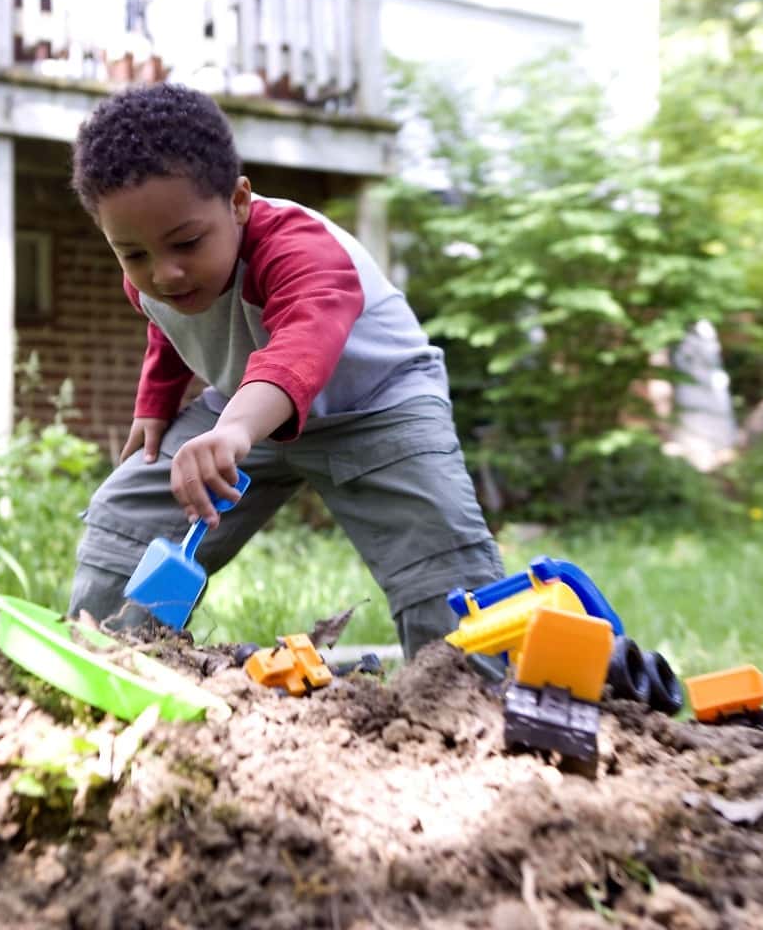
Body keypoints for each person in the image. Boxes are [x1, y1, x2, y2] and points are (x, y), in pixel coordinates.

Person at [66, 83, 503, 660]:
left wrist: (235, 429)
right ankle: (106, 653)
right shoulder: (152, 277)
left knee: (443, 576)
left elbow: (302, 344)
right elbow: (167, 329)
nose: (165, 272)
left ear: (239, 202)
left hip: (377, 406)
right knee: (130, 507)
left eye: (187, 242)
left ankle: (470, 693)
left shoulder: (301, 249)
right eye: (134, 254)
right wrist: (155, 404)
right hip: (245, 412)